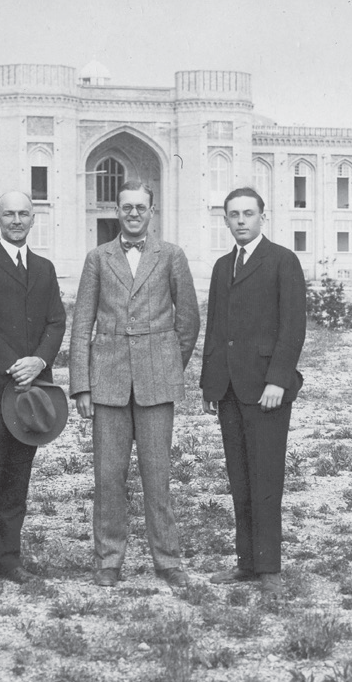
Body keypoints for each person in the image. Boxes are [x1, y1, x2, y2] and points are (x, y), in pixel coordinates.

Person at [70, 181, 200, 589]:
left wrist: (166, 363)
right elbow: (81, 325)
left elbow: (189, 320)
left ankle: (167, 560)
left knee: (157, 475)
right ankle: (108, 559)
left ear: (151, 210)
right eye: (126, 207)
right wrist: (82, 386)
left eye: (140, 208)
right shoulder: (98, 258)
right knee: (108, 475)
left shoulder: (171, 256)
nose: (133, 214)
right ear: (116, 210)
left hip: (156, 382)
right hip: (107, 381)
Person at [0, 191, 66, 595]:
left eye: (23, 214)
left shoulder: (44, 268)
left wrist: (38, 362)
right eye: (9, 215)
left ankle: (7, 560)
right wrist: (12, 363)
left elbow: (56, 321)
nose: (16, 220)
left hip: (32, 394)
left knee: (17, 480)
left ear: (33, 219)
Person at [201, 188, 306, 595]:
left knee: (265, 478)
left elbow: (293, 327)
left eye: (248, 213)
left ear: (264, 216)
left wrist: (278, 380)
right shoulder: (222, 265)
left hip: (266, 390)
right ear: (225, 220)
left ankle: (269, 568)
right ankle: (245, 562)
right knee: (239, 478)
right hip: (229, 388)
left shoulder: (282, 260)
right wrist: (211, 382)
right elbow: (215, 328)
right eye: (233, 215)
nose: (241, 221)